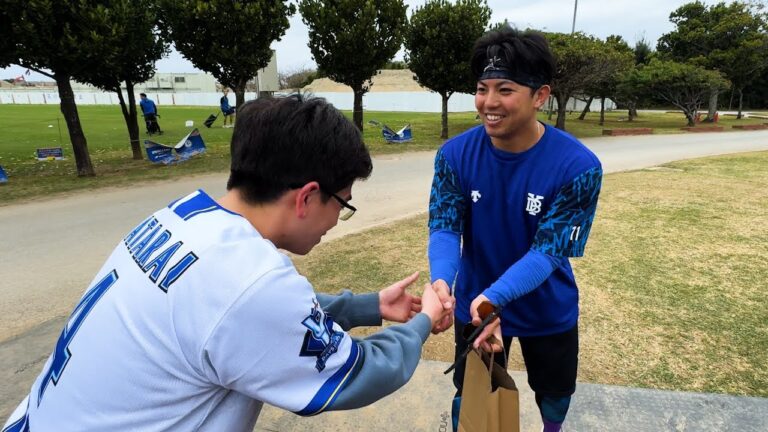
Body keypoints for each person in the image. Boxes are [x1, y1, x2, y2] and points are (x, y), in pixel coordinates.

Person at [3, 94, 451, 432]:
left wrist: (368, 306)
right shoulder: (249, 281)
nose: (337, 219)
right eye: (342, 203)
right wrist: (423, 321)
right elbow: (363, 373)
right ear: (308, 196)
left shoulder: (182, 217)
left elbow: (238, 316)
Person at [427, 27, 603, 432]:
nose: (489, 102)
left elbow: (548, 251)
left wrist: (496, 300)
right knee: (471, 392)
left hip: (545, 306)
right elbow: (445, 226)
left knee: (555, 390)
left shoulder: (579, 167)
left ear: (540, 96)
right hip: (477, 303)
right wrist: (441, 279)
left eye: (505, 89)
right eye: (481, 88)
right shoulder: (454, 155)